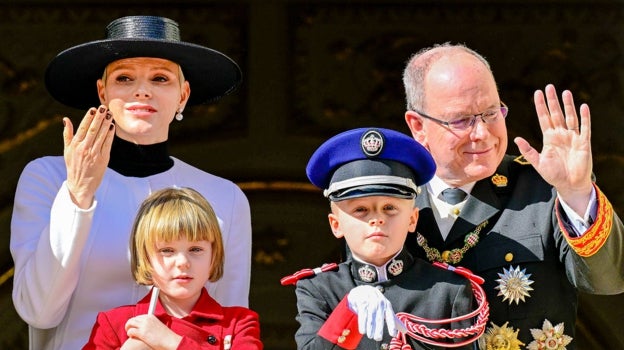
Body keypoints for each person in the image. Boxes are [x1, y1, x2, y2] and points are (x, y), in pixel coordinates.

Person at [10, 15, 252, 350]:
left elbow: (227, 330)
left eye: (160, 78)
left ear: (183, 95)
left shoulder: (225, 198)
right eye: (124, 77)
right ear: (102, 92)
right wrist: (78, 195)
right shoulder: (49, 179)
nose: (142, 90)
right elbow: (39, 312)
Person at [402, 42, 624, 349]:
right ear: (418, 126)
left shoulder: (544, 189)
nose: (482, 133)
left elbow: (608, 279)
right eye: (461, 120)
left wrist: (575, 192)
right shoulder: (390, 201)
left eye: (491, 113)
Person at [282, 127, 489, 350]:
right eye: (361, 210)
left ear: (412, 219)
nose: (377, 219)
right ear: (336, 224)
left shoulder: (448, 290)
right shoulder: (319, 289)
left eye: (390, 208)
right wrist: (348, 312)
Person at [82, 187, 262, 349]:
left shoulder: (240, 323)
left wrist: (170, 341)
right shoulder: (114, 324)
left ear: (213, 255)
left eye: (196, 249)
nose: (183, 261)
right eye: (167, 251)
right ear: (146, 257)